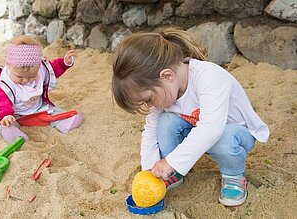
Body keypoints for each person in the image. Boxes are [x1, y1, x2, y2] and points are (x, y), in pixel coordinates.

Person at [112, 28, 269, 207]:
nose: (150, 105)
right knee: (165, 123)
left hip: (236, 134)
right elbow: (151, 130)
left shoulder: (209, 77)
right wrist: (149, 167)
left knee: (221, 138)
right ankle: (174, 174)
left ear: (167, 76)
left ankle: (233, 175)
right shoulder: (167, 90)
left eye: (148, 99)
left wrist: (172, 161)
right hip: (200, 132)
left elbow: (211, 128)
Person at [0, 35, 83, 143]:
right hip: (13, 112)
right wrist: (6, 115)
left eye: (31, 77)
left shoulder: (40, 69)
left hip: (37, 107)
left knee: (54, 111)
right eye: (20, 77)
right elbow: (1, 102)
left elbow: (52, 69)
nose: (25, 80)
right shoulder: (3, 83)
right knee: (5, 123)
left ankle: (65, 123)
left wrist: (64, 63)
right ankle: (11, 133)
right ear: (9, 66)